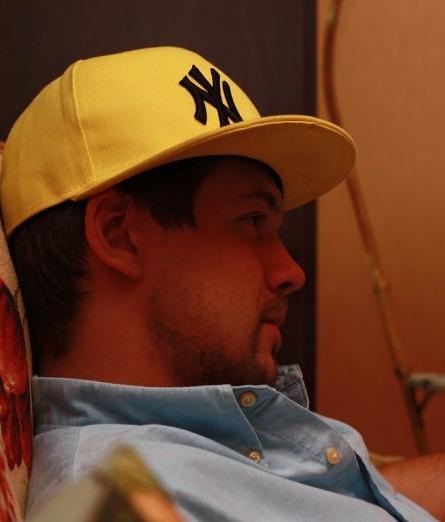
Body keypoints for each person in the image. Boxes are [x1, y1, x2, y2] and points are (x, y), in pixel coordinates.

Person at [0, 47, 442, 521]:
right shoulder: (114, 504)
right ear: (118, 234)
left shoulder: (213, 440)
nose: (291, 272)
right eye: (251, 221)